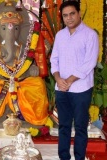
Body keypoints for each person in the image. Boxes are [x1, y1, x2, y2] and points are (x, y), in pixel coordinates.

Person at [50, 1, 99, 160]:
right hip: (61, 88)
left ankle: (79, 158)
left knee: (80, 127)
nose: (69, 18)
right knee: (63, 126)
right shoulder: (60, 35)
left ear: (78, 13)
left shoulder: (90, 35)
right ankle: (63, 157)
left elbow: (89, 63)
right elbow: (54, 59)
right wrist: (58, 78)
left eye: (72, 14)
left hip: (81, 89)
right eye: (65, 15)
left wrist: (69, 80)